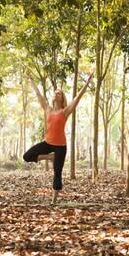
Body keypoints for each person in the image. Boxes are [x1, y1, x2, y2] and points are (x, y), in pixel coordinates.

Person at [23, 70, 94, 204]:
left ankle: (54, 200)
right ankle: (49, 157)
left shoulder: (65, 111)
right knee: (27, 156)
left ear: (62, 98)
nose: (56, 93)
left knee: (57, 172)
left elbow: (77, 98)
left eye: (59, 92)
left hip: (61, 146)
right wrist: (31, 80)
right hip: (47, 143)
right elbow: (38, 95)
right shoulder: (48, 109)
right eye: (55, 92)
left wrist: (87, 82)